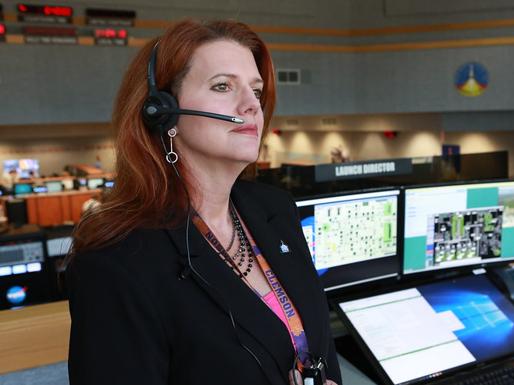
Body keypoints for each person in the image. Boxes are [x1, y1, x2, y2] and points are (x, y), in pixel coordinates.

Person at [65, 20, 341, 385]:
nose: (251, 106)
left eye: (256, 91)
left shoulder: (276, 209)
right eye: (223, 86)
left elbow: (320, 348)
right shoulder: (116, 260)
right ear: (162, 111)